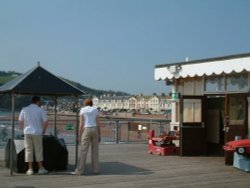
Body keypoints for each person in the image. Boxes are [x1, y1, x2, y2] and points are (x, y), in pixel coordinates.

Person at [18, 96, 48, 175]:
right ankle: (40, 168)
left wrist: (23, 129)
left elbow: (20, 121)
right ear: (38, 101)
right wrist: (43, 131)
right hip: (37, 132)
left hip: (27, 132)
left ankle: (30, 169)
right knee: (38, 150)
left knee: (28, 150)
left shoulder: (25, 109)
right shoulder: (40, 110)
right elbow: (45, 122)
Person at [71, 98, 100, 175]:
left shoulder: (83, 110)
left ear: (85, 103)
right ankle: (96, 170)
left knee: (83, 151)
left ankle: (80, 170)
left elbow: (81, 124)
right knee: (95, 151)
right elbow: (98, 124)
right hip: (95, 129)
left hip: (86, 129)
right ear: (91, 103)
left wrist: (79, 135)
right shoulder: (95, 110)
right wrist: (99, 134)